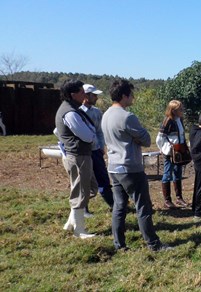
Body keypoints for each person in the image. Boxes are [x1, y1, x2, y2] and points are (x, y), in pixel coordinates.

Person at [102, 79, 170, 251]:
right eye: (131, 94)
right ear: (124, 95)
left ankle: (119, 244)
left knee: (119, 206)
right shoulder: (127, 117)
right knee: (143, 207)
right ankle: (153, 244)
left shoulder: (106, 114)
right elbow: (146, 139)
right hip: (130, 167)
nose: (133, 97)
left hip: (113, 166)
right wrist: (135, 137)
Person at [55, 79, 97, 239]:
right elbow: (86, 136)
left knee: (89, 187)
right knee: (80, 190)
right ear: (73, 95)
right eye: (81, 92)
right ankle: (79, 230)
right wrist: (92, 136)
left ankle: (71, 223)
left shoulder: (71, 109)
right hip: (78, 156)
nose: (84, 94)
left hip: (79, 155)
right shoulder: (70, 112)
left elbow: (56, 131)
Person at [80, 84, 114, 212]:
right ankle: (84, 208)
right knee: (85, 180)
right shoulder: (77, 112)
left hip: (96, 151)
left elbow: (100, 131)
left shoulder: (97, 112)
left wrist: (101, 146)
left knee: (103, 178)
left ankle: (113, 205)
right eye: (94, 95)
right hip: (83, 152)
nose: (96, 97)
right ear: (86, 95)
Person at [155, 100, 188, 209]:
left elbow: (181, 134)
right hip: (170, 152)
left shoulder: (180, 120)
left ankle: (179, 198)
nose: (182, 110)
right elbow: (160, 137)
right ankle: (167, 200)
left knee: (178, 173)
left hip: (179, 150)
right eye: (180, 109)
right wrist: (164, 149)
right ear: (173, 110)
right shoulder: (168, 121)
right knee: (167, 173)